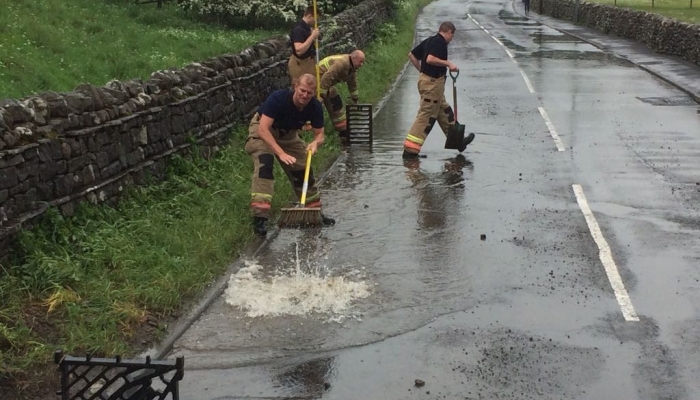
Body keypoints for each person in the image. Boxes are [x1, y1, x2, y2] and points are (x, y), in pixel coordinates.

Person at [245, 73, 335, 237]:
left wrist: (315, 143)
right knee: (266, 164)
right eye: (302, 91)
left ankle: (314, 212)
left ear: (313, 93)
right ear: (295, 87)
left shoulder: (314, 106)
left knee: (303, 168)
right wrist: (280, 153)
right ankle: (260, 219)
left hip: (288, 135)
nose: (304, 95)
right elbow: (263, 129)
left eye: (309, 93)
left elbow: (320, 134)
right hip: (262, 132)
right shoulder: (278, 99)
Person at [403, 22, 475, 159]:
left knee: (444, 110)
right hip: (432, 84)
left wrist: (422, 72)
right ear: (449, 32)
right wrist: (448, 63)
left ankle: (458, 141)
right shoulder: (439, 43)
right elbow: (430, 59)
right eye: (452, 37)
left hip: (431, 82)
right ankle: (410, 151)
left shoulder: (430, 40)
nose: (451, 40)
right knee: (427, 114)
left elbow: (411, 55)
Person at [317, 49, 366, 141]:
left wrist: (354, 97)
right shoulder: (342, 63)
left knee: (336, 103)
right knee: (323, 101)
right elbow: (328, 76)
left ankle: (343, 130)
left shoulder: (352, 67)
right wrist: (322, 94)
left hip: (327, 82)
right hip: (318, 78)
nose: (361, 64)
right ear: (353, 58)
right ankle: (309, 130)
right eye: (360, 62)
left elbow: (352, 82)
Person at [288, 6, 320, 84]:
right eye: (315, 19)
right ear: (309, 16)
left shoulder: (307, 28)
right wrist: (312, 37)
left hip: (309, 62)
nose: (316, 22)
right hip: (300, 64)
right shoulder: (299, 30)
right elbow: (299, 50)